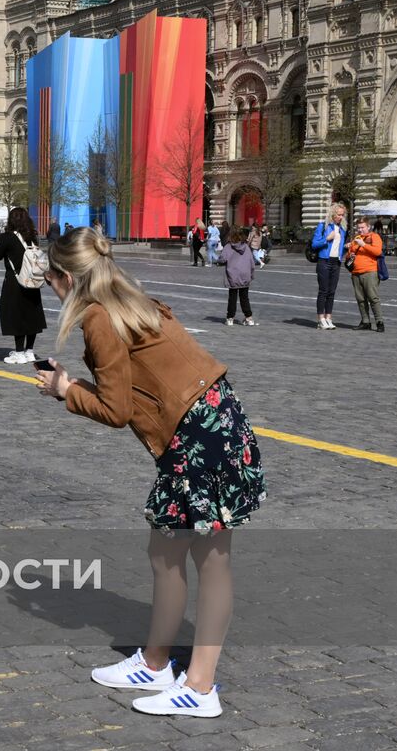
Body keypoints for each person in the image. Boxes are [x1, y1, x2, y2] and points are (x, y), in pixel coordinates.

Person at [35, 227, 265, 719]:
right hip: (211, 419)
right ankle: (157, 662)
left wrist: (64, 389)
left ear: (65, 279)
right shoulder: (132, 298)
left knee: (210, 557)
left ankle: (201, 687)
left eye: (49, 279)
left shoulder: (97, 317)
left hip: (197, 433)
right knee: (167, 550)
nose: (49, 289)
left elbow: (115, 410)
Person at [0, 207, 47, 364]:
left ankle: (18, 352)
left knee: (17, 316)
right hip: (32, 280)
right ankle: (29, 350)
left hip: (15, 281)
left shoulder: (8, 237)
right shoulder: (31, 237)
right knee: (31, 315)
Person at [310, 203, 348, 330]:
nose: (341, 217)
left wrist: (347, 248)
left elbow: (339, 247)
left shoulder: (342, 229)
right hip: (324, 261)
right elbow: (314, 244)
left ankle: (328, 318)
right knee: (323, 291)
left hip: (336, 262)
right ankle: (321, 319)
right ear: (333, 214)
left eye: (343, 215)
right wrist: (327, 238)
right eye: (339, 215)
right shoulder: (323, 226)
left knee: (332, 292)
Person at [347, 216, 385, 332]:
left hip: (370, 272)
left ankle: (379, 322)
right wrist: (350, 254)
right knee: (360, 299)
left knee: (373, 298)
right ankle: (365, 321)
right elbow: (349, 255)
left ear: (368, 227)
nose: (360, 230)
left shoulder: (374, 237)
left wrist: (363, 244)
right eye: (358, 228)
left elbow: (378, 251)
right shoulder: (356, 238)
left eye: (362, 227)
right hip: (356, 273)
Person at [221, 227, 257, 327]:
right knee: (244, 297)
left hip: (233, 275)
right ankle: (249, 318)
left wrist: (219, 260)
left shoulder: (228, 246)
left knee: (232, 297)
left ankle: (230, 318)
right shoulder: (246, 247)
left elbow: (222, 258)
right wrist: (251, 275)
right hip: (245, 275)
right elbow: (252, 262)